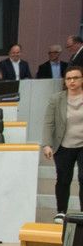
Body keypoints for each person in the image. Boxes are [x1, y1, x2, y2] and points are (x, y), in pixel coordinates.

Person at [41, 67, 83, 223]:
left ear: (82, 79)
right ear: (65, 81)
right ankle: (61, 211)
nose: (72, 81)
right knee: (64, 179)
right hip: (63, 145)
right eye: (68, 78)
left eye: (76, 78)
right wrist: (47, 144)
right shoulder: (56, 99)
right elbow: (49, 123)